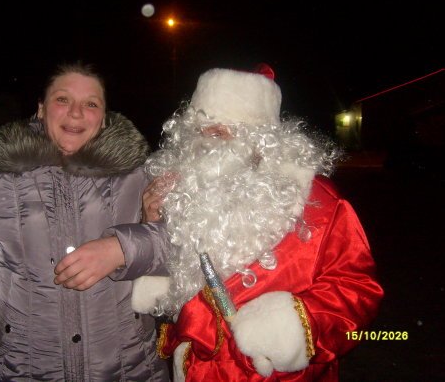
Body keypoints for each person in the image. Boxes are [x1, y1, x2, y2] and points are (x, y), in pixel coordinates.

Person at [133, 66, 384, 381]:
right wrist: (152, 225)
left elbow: (358, 290)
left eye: (221, 131)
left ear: (260, 138)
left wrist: (292, 327)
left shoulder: (319, 202)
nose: (206, 139)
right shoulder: (181, 192)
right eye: (200, 128)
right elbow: (176, 285)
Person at [0, 62, 170, 381]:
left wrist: (121, 249)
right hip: (20, 370)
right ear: (41, 109)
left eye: (91, 104)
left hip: (129, 367)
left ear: (104, 118)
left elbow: (186, 247)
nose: (76, 113)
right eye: (62, 99)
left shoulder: (139, 176)